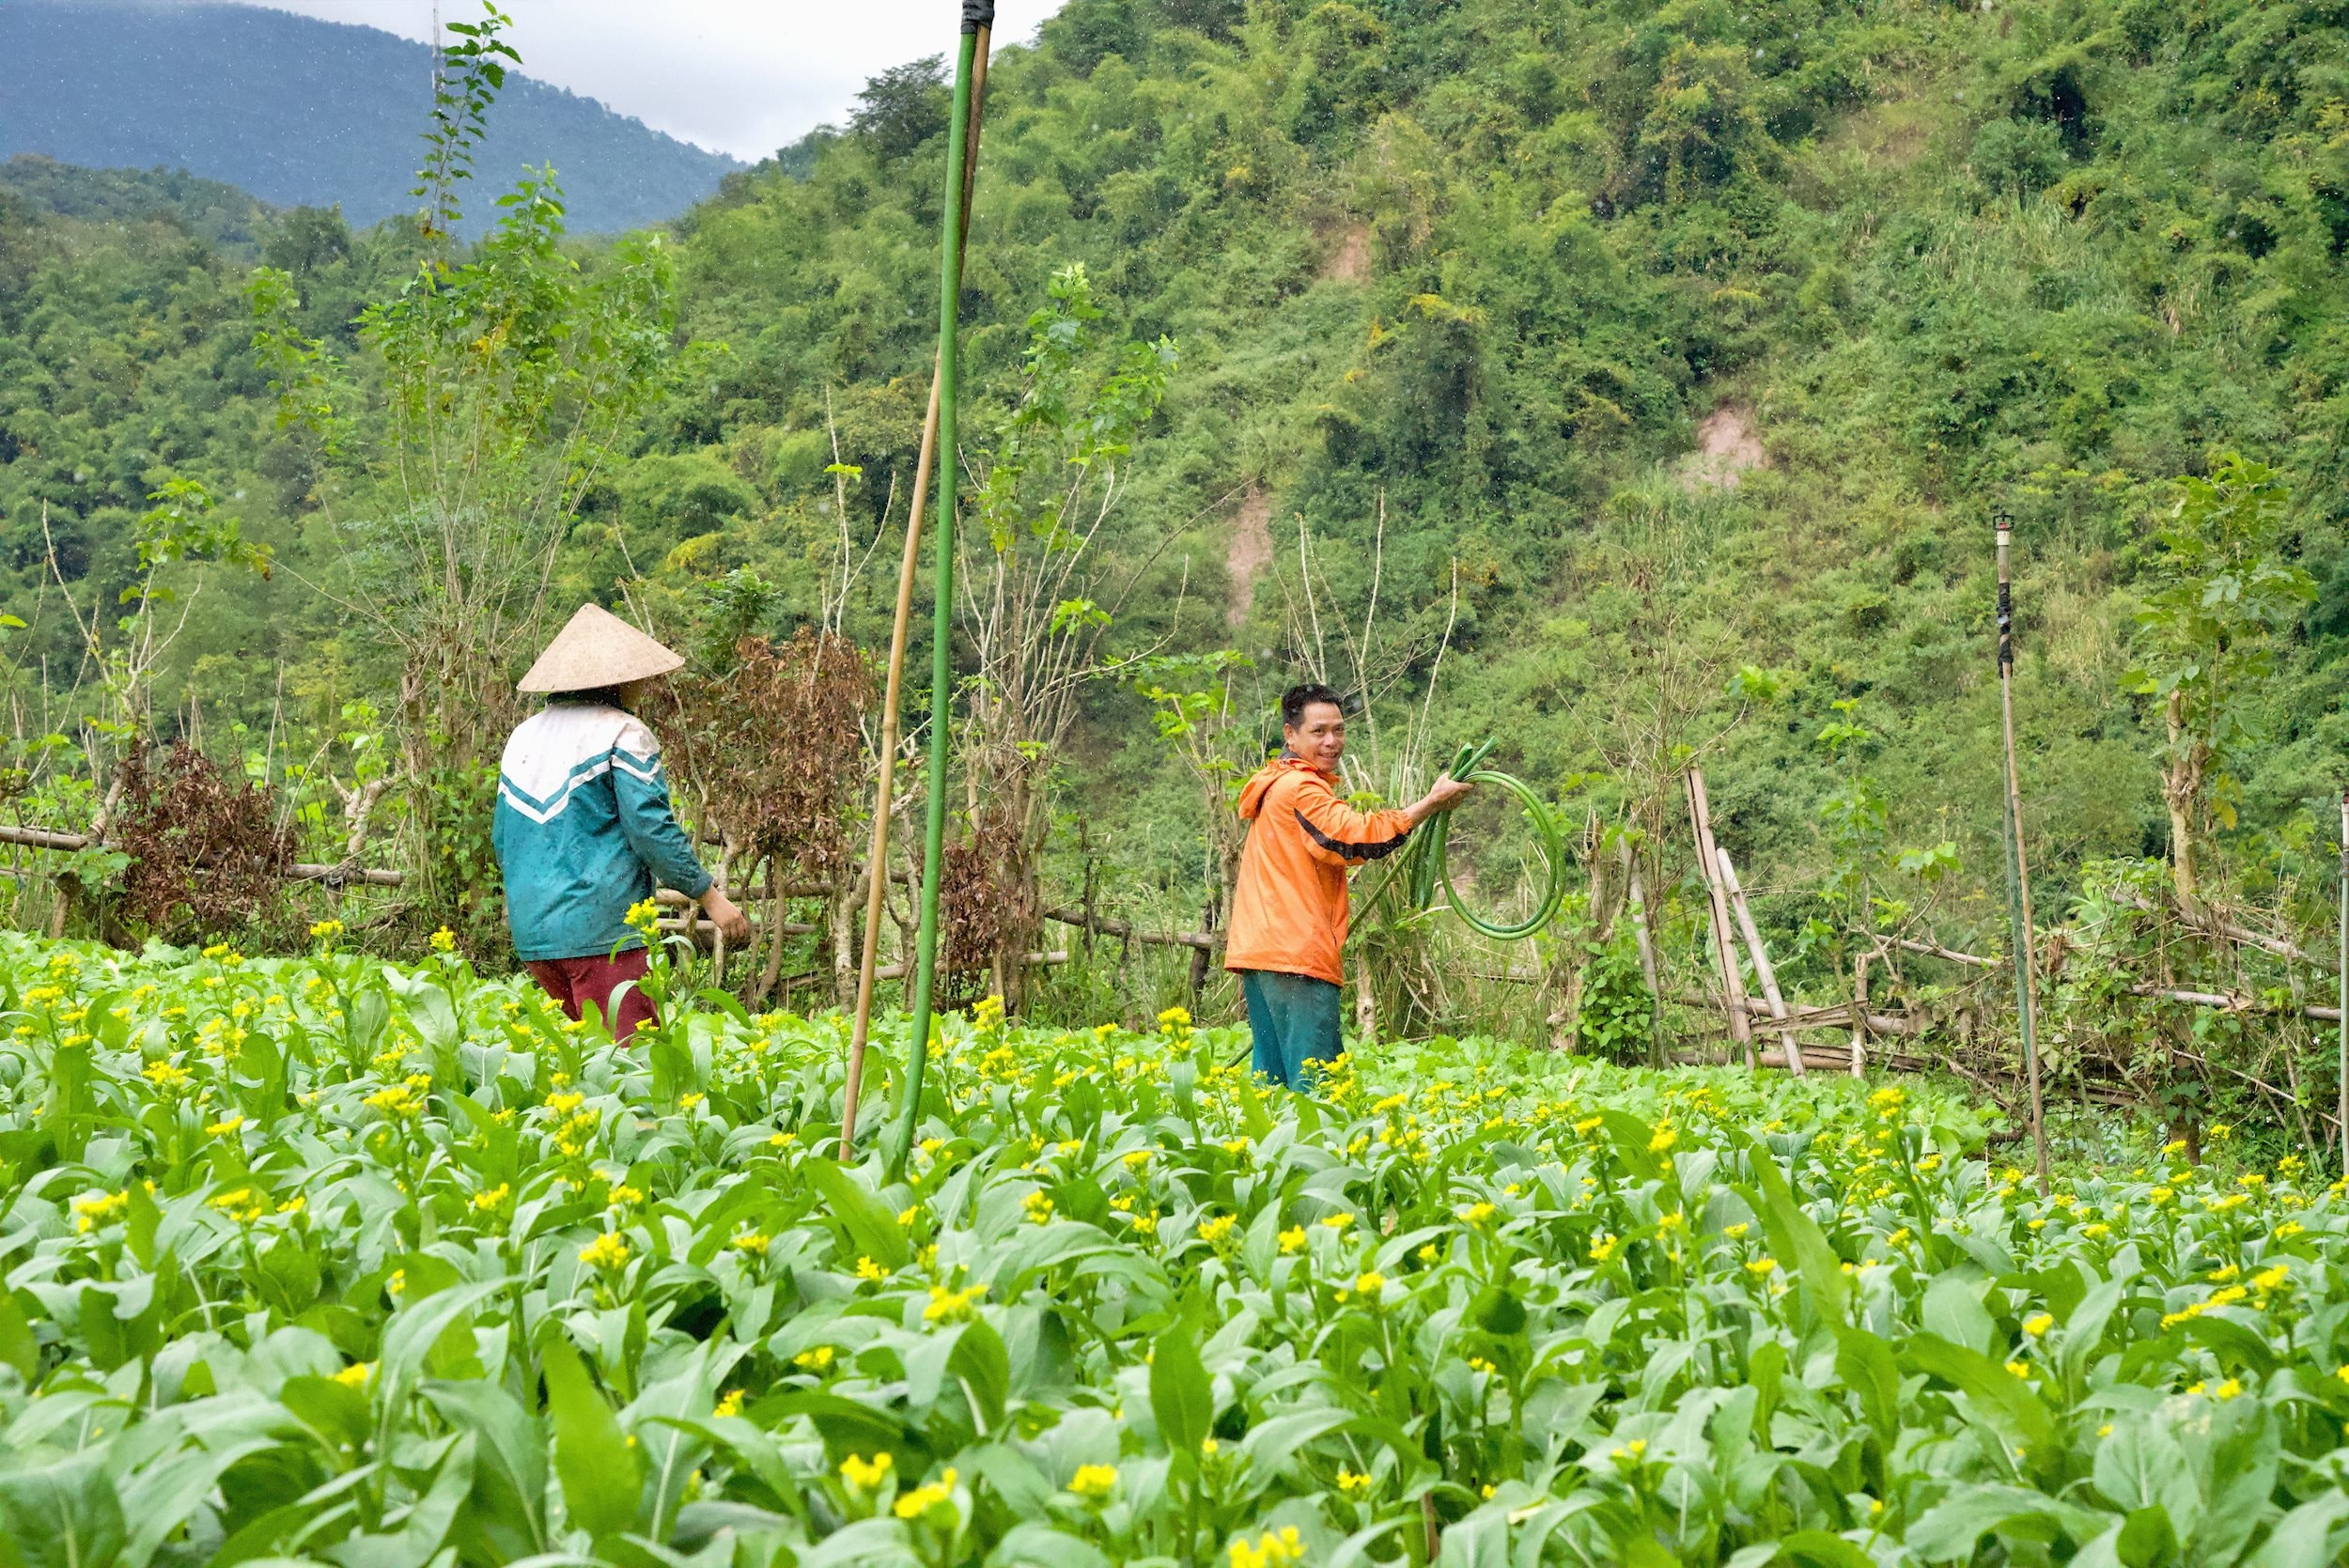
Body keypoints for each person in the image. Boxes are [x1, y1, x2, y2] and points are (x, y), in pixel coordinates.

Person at [492, 602, 751, 1036]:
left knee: (585, 1062)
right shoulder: (623, 733)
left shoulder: (524, 736)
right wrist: (709, 897)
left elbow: (505, 841)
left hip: (535, 936)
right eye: (640, 679)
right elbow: (651, 830)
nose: (644, 687)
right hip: (603, 933)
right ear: (618, 680)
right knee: (632, 1069)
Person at [1224, 682, 1472, 1088]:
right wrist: (1429, 804)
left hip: (1263, 953)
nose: (1331, 741)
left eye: (1338, 730)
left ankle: (1269, 1150)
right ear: (1290, 735)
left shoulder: (1275, 784)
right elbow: (1355, 837)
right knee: (1318, 1085)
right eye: (1318, 731)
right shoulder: (1301, 788)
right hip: (1294, 955)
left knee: (1271, 1084)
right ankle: (1321, 1151)